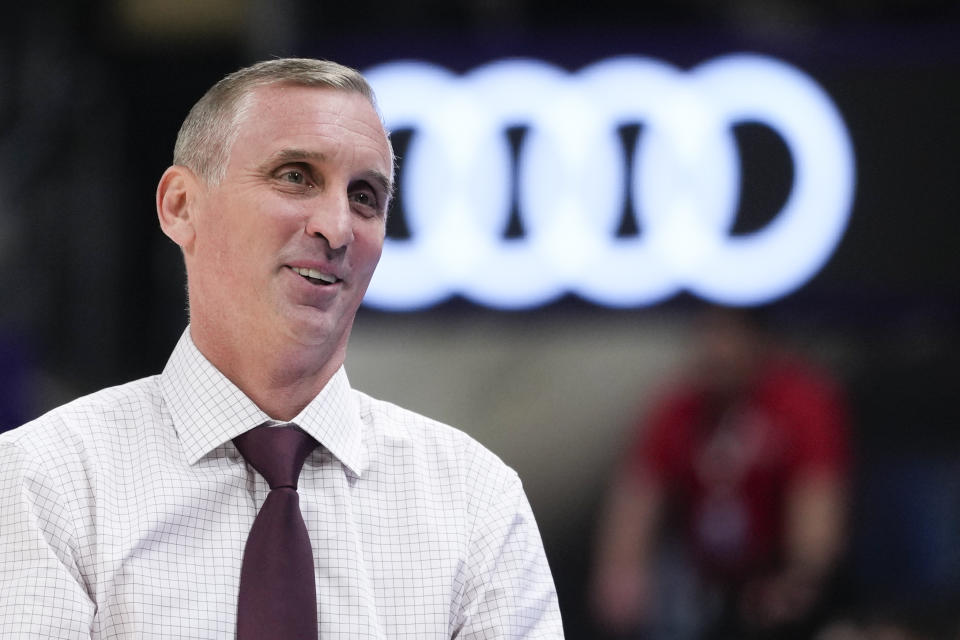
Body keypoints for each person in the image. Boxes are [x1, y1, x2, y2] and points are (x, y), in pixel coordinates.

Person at [0, 58, 563, 639]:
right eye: (296, 176)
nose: (337, 227)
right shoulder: (50, 482)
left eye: (365, 196)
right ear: (180, 206)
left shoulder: (474, 500)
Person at [590, 306, 850, 639]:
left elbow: (818, 505)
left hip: (784, 578)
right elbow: (636, 497)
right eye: (707, 335)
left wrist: (800, 579)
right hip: (711, 585)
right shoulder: (678, 408)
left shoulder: (802, 402)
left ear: (757, 341)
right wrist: (620, 572)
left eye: (728, 336)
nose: (716, 350)